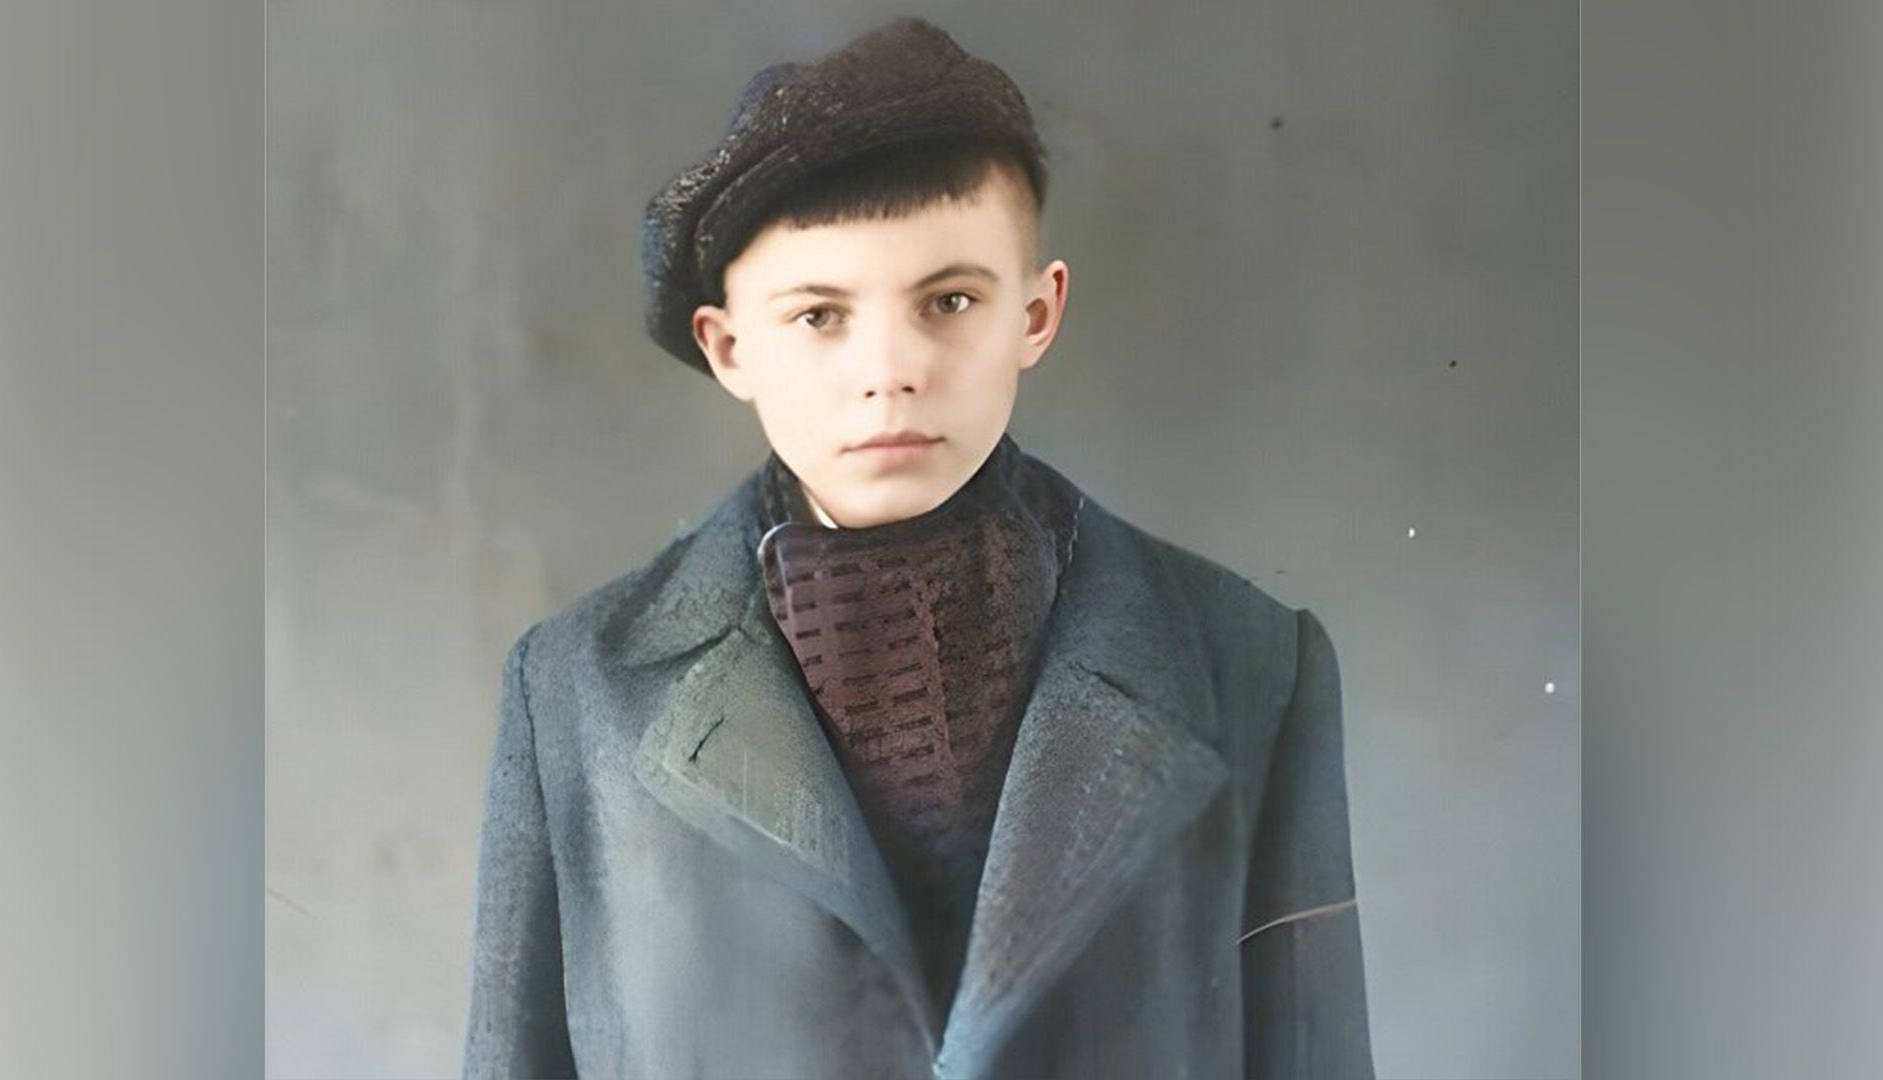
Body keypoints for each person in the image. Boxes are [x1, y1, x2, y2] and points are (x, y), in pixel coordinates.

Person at [463, 16, 1372, 1079]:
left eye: (950, 301)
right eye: (819, 316)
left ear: (1036, 315)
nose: (890, 370)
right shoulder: (575, 691)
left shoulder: (1250, 661)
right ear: (729, 347)